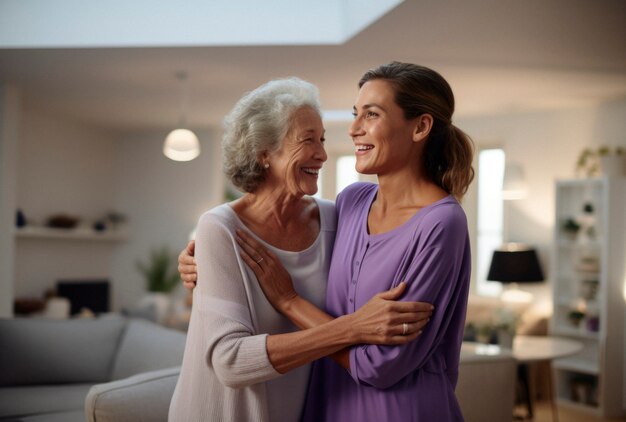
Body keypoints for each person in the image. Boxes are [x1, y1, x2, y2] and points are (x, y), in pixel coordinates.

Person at [180, 62, 474, 421]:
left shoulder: (437, 222)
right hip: (326, 405)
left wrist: (289, 300)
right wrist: (201, 262)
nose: (351, 131)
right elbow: (231, 355)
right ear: (264, 153)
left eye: (371, 114)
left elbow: (379, 364)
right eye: (355, 115)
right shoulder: (349, 206)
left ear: (421, 126)